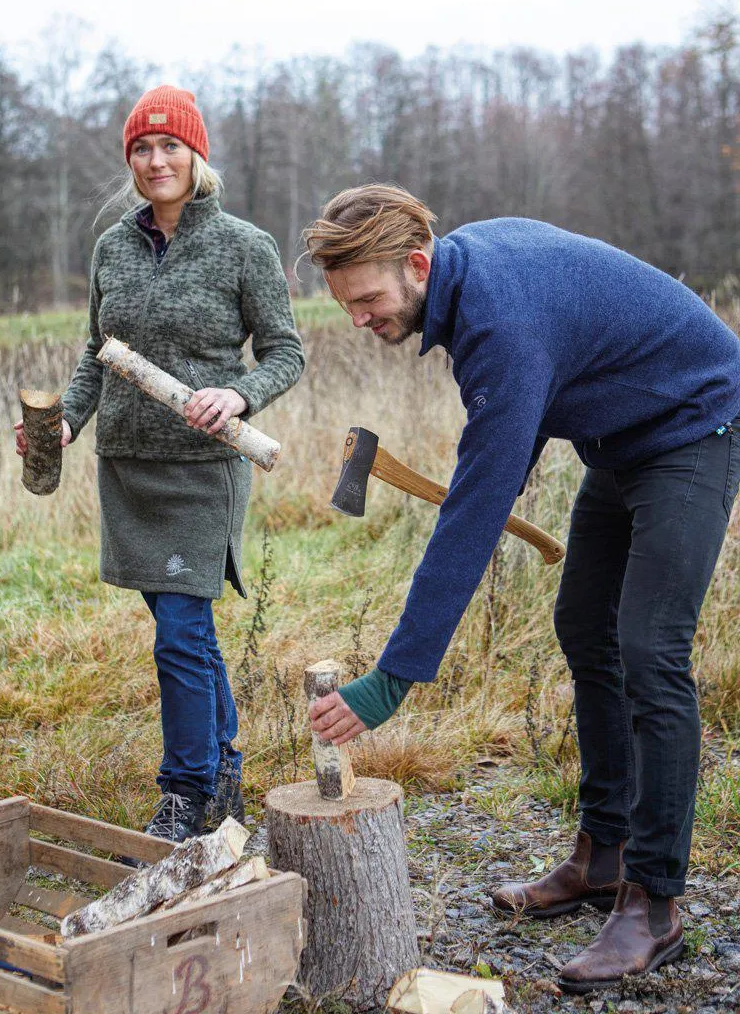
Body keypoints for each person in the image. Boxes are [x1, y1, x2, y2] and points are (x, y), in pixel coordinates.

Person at [302, 184, 740, 994]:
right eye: (345, 303)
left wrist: (390, 682)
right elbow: (532, 396)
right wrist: (501, 466)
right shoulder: (474, 280)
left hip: (694, 423)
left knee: (651, 652)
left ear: (418, 265)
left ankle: (654, 903)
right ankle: (602, 854)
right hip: (618, 436)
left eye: (366, 299)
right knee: (585, 627)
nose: (358, 320)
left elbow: (471, 517)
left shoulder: (499, 323)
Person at [15, 86, 304, 852]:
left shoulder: (245, 245)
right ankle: (226, 763)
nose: (155, 160)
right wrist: (65, 422)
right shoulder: (113, 245)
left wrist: (238, 394)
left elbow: (285, 352)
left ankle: (185, 790)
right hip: (128, 469)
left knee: (178, 631)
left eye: (169, 145)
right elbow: (95, 352)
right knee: (190, 629)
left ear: (195, 154)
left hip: (204, 467)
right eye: (141, 149)